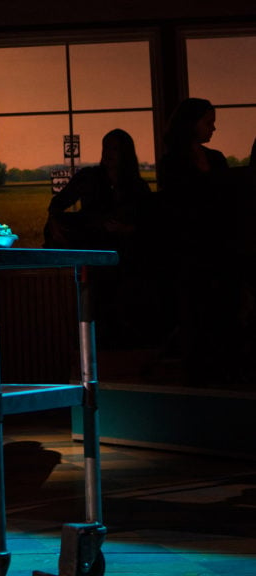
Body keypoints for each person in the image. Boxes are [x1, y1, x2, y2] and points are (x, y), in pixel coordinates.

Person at [157, 98, 242, 384]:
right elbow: (175, 211)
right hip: (192, 257)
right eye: (208, 121)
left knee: (224, 319)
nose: (213, 127)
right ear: (190, 124)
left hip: (221, 253)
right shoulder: (172, 164)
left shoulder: (216, 159)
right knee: (196, 320)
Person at [44, 128, 153, 346]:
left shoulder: (137, 187)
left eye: (114, 148)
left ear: (126, 153)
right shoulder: (89, 177)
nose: (108, 153)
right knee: (96, 302)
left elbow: (149, 223)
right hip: (93, 254)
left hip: (126, 258)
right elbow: (57, 205)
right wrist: (58, 227)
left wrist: (126, 230)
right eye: (106, 147)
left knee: (123, 302)